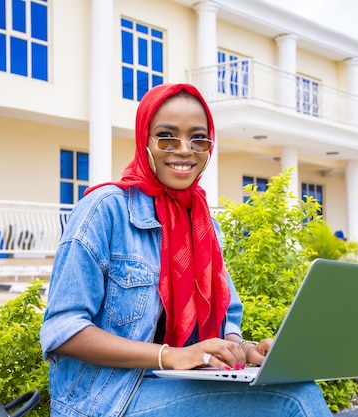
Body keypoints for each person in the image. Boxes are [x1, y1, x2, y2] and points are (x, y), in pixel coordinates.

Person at [40, 83, 333, 417]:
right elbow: (63, 330)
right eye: (166, 136)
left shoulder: (204, 222)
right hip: (107, 399)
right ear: (144, 139)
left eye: (198, 138)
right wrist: (172, 355)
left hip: (178, 384)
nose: (184, 149)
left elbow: (225, 321)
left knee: (292, 386)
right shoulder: (104, 210)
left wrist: (245, 351)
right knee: (294, 399)